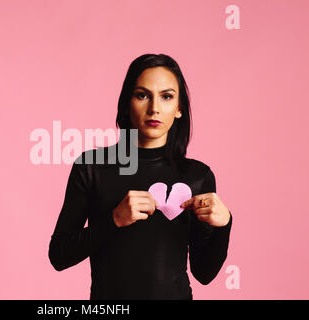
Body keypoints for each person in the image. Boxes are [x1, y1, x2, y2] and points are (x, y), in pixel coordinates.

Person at [48, 53, 233, 300]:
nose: (154, 108)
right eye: (142, 95)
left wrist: (224, 226)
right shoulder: (92, 167)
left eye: (166, 97)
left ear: (179, 109)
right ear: (127, 103)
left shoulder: (197, 176)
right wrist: (114, 220)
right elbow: (59, 255)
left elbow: (204, 273)